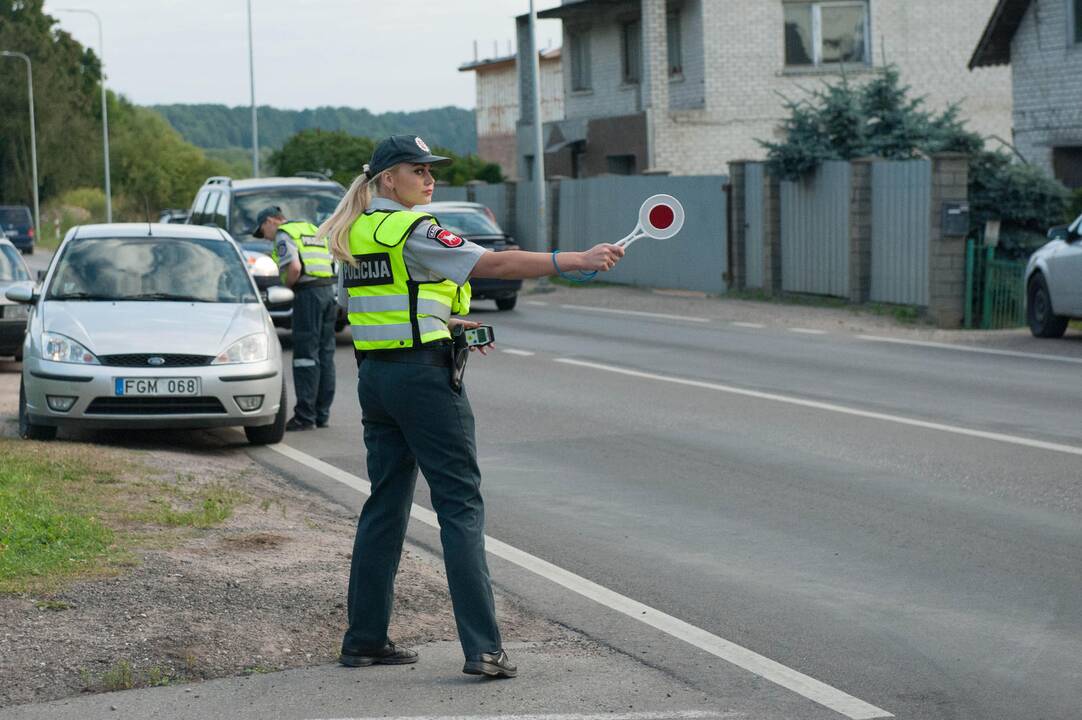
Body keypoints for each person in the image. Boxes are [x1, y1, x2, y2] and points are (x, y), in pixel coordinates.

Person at [319, 134, 624, 679]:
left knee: (385, 505)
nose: (429, 178)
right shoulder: (413, 228)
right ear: (388, 179)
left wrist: (450, 324)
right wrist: (572, 259)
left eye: (431, 169)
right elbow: (494, 265)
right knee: (459, 507)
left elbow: (380, 309)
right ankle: (484, 649)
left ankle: (363, 640)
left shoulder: (355, 232)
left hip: (376, 379)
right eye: (418, 170)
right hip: (424, 381)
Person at [254, 205, 338, 431]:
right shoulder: (311, 229)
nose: (265, 237)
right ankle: (321, 414)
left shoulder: (285, 234)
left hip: (308, 294)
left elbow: (293, 267)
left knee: (305, 356)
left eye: (262, 231)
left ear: (271, 221)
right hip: (328, 292)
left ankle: (304, 416)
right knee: (326, 354)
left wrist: (286, 286)